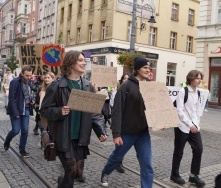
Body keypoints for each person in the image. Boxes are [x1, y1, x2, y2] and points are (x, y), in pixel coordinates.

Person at [40, 50, 107, 188]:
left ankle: (61, 183)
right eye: (81, 60)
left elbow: (94, 113)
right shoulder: (57, 86)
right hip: (63, 136)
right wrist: (59, 111)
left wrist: (101, 130)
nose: (84, 63)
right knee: (70, 170)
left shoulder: (87, 86)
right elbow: (44, 110)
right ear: (71, 62)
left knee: (77, 172)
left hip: (81, 137)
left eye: (84, 60)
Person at [100, 57, 153, 187]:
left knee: (147, 164)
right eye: (145, 67)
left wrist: (160, 121)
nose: (148, 70)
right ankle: (106, 172)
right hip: (127, 132)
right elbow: (117, 111)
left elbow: (154, 108)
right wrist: (116, 134)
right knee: (117, 157)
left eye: (149, 68)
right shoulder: (126, 86)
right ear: (137, 69)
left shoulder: (150, 86)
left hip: (143, 133)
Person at [170, 70, 206, 187]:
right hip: (182, 126)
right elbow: (179, 111)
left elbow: (197, 111)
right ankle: (174, 174)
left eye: (200, 78)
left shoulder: (199, 93)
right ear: (191, 78)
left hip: (193, 127)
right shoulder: (183, 91)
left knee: (199, 149)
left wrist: (195, 125)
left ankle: (193, 175)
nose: (199, 80)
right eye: (197, 78)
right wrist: (190, 125)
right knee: (179, 151)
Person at [4, 66, 35, 157]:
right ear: (22, 74)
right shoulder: (15, 82)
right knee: (16, 130)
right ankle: (7, 140)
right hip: (16, 109)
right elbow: (11, 98)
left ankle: (22, 149)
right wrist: (15, 112)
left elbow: (28, 93)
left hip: (26, 109)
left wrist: (31, 99)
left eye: (30, 75)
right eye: (27, 75)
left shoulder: (29, 82)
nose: (29, 77)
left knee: (25, 130)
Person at [109, 73, 130, 174]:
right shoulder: (118, 91)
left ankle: (119, 161)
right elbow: (112, 105)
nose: (126, 80)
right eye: (124, 78)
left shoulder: (131, 91)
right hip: (119, 122)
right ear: (121, 80)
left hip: (127, 122)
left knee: (124, 144)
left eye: (128, 79)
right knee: (119, 145)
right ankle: (117, 163)